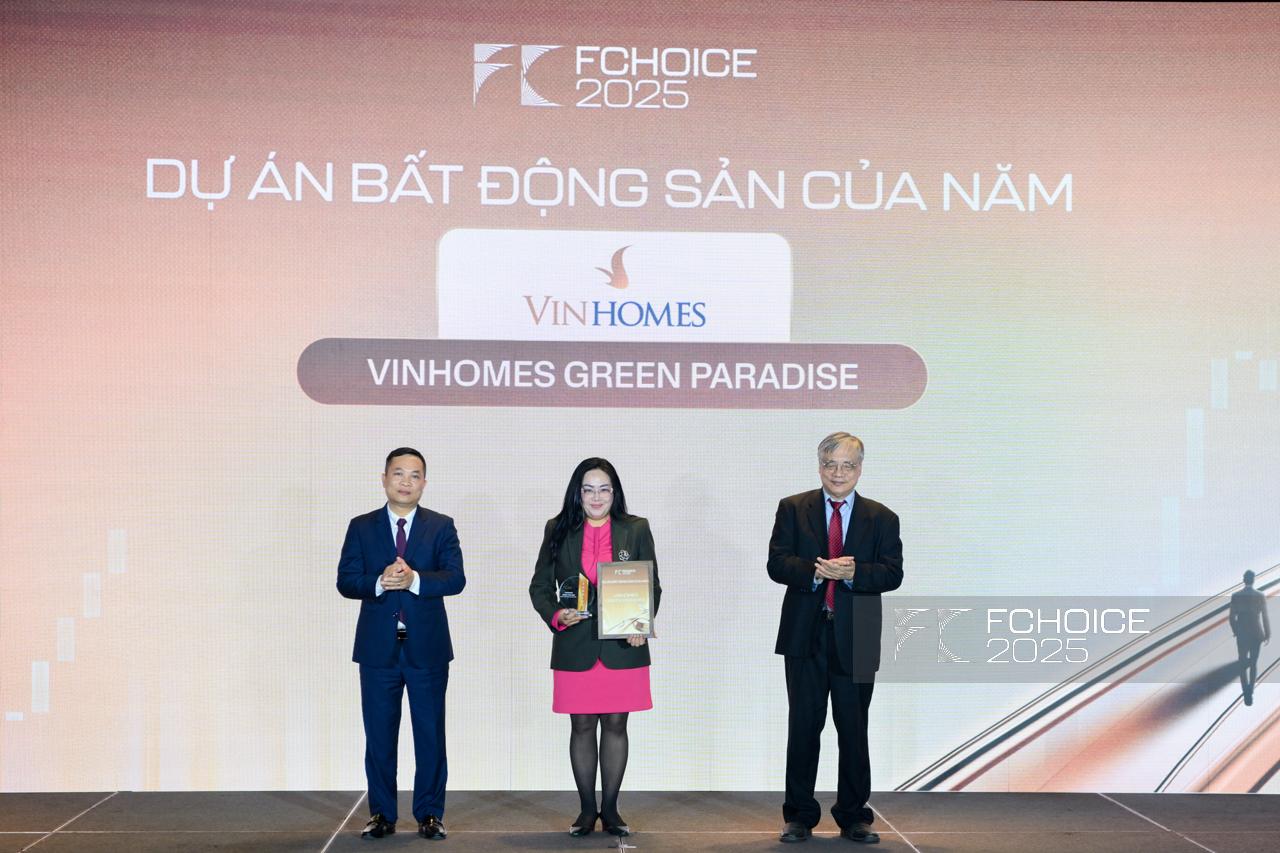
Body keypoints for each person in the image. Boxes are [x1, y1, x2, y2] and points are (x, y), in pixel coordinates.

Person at [769, 432, 903, 845]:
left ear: (860, 469)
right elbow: (777, 563)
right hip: (805, 634)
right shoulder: (793, 508)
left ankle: (854, 815)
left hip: (857, 636)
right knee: (803, 727)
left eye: (847, 465)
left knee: (854, 728)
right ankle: (798, 815)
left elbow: (893, 573)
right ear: (820, 467)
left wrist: (854, 573)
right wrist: (814, 571)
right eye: (831, 464)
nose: (838, 472)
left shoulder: (882, 517)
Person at [337, 447, 465, 841]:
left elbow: (455, 578)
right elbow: (346, 581)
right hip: (378, 651)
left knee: (430, 734)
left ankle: (430, 814)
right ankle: (381, 814)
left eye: (414, 475)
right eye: (398, 473)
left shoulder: (441, 526)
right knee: (379, 736)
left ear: (424, 483)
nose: (406, 482)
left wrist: (416, 580)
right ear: (384, 479)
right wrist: (379, 582)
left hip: (427, 650)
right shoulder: (361, 527)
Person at [529, 457, 661, 838]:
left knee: (617, 725)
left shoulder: (636, 528)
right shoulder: (558, 528)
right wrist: (557, 615)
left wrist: (640, 625)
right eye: (588, 490)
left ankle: (612, 809)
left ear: (614, 493)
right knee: (582, 725)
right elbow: (540, 586)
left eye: (604, 489)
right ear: (578, 493)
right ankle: (587, 810)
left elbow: (651, 586)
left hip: (623, 644)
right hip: (575, 644)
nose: (596, 497)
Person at [1229, 569, 1271, 706]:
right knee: (1253, 663)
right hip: (1256, 634)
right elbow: (1265, 616)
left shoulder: (1236, 596)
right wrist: (1267, 633)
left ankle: (1245, 691)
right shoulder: (1260, 596)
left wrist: (1236, 631)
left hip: (1242, 635)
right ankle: (1250, 690)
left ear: (1244, 580)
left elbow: (1231, 618)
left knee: (1242, 664)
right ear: (1253, 580)